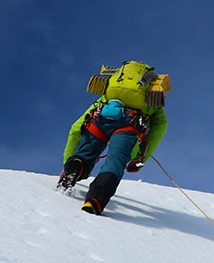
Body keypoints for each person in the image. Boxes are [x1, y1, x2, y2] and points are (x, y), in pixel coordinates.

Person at [58, 61, 170, 215]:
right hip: (129, 125)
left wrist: (67, 161)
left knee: (85, 154)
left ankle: (75, 166)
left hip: (100, 118)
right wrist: (140, 158)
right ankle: (95, 199)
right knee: (114, 161)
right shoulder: (152, 97)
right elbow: (159, 128)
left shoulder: (109, 91)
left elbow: (75, 129)